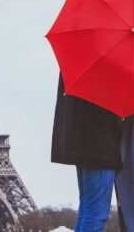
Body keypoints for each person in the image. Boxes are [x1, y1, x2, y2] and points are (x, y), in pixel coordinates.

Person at [51, 73, 124, 231]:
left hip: (86, 138)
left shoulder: (82, 56)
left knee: (88, 210)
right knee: (95, 214)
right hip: (99, 141)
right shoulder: (107, 61)